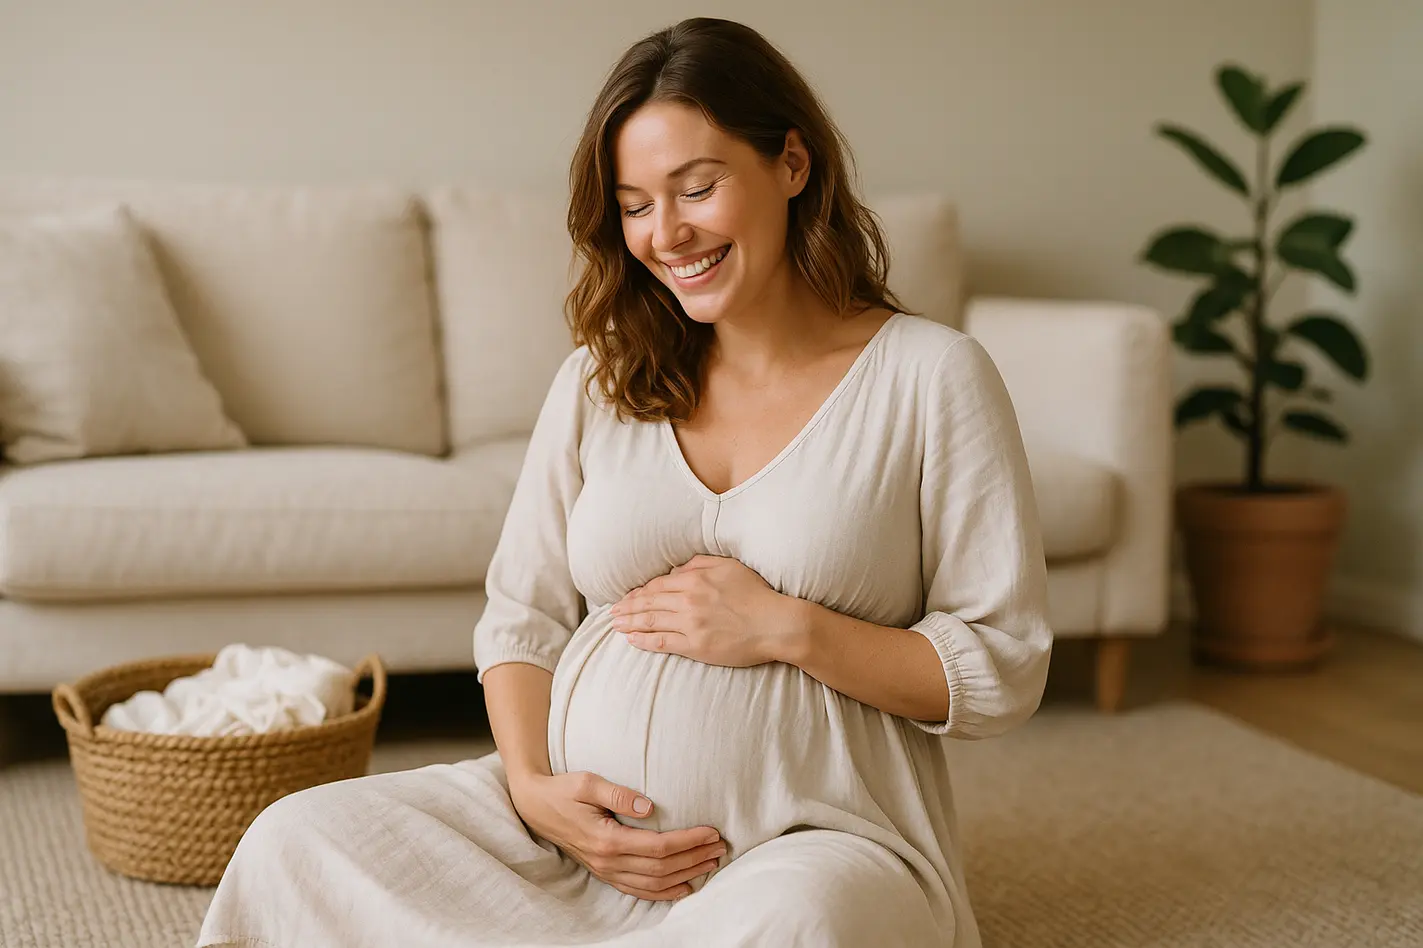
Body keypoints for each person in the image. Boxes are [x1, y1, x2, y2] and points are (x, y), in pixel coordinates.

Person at [197, 16, 1052, 948]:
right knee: (294, 840)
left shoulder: (930, 376)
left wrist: (787, 627)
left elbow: (1001, 662)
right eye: (635, 204)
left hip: (811, 843)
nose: (666, 233)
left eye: (697, 187)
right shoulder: (605, 377)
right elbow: (521, 615)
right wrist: (533, 790)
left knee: (798, 924)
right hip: (563, 840)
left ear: (792, 164)